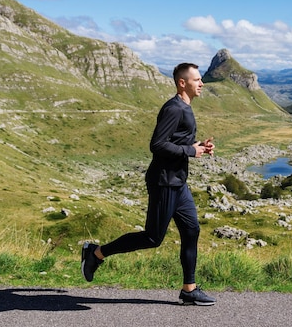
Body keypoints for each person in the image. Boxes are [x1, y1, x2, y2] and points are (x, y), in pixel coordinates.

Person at [81, 62, 216, 306]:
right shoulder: (173, 108)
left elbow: (176, 140)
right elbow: (157, 144)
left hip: (178, 183)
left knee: (191, 230)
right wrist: (189, 150)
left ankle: (189, 289)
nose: (202, 84)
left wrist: (199, 147)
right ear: (182, 83)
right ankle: (96, 253)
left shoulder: (185, 107)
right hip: (163, 182)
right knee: (153, 238)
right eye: (197, 80)